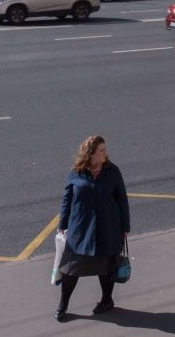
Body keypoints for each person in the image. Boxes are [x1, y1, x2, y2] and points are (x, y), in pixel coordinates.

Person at [55, 136, 130, 321]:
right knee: (71, 268)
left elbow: (122, 200)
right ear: (91, 154)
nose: (105, 153)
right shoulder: (76, 172)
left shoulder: (112, 171)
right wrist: (62, 225)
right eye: (101, 150)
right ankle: (63, 304)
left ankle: (107, 300)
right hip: (81, 229)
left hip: (107, 227)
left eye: (105, 150)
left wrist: (124, 227)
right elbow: (67, 199)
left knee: (105, 267)